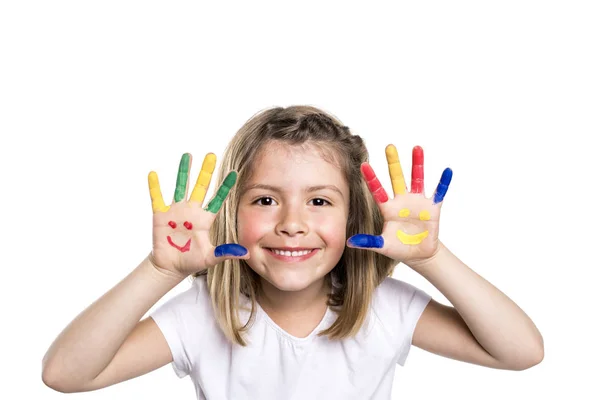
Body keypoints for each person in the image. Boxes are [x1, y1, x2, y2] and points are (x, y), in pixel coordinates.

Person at [41, 105, 544, 399]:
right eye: (265, 200)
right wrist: (159, 269)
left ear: (354, 217)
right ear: (231, 212)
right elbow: (65, 374)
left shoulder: (383, 308)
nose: (292, 224)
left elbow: (521, 352)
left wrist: (430, 258)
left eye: (320, 201)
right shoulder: (203, 315)